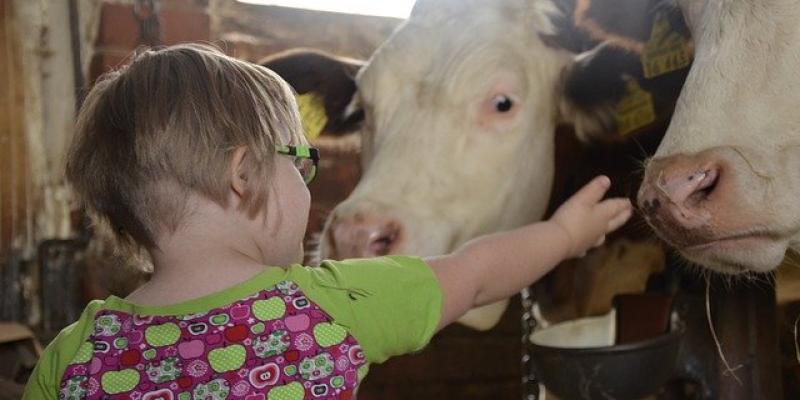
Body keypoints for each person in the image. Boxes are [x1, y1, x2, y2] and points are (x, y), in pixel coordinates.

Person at [23, 43, 632, 400]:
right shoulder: (329, 308)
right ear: (243, 175)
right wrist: (565, 234)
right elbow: (476, 275)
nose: (307, 181)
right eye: (301, 159)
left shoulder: (73, 355)